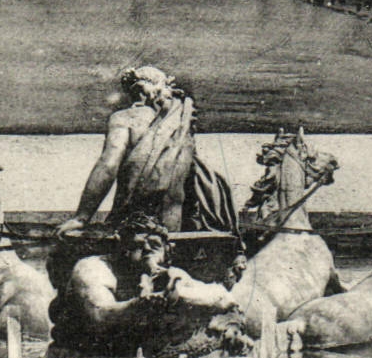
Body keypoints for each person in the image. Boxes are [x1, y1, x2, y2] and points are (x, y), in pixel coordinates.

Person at [55, 65, 236, 237]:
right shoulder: (180, 123)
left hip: (131, 224)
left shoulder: (125, 118)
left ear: (136, 91)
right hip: (172, 228)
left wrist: (81, 218)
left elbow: (108, 165)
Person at [49, 213, 238, 351]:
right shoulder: (94, 268)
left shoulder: (170, 274)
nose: (147, 251)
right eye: (137, 245)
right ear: (121, 247)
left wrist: (179, 293)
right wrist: (139, 305)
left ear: (167, 251)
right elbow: (100, 315)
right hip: (92, 354)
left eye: (154, 245)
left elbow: (224, 299)